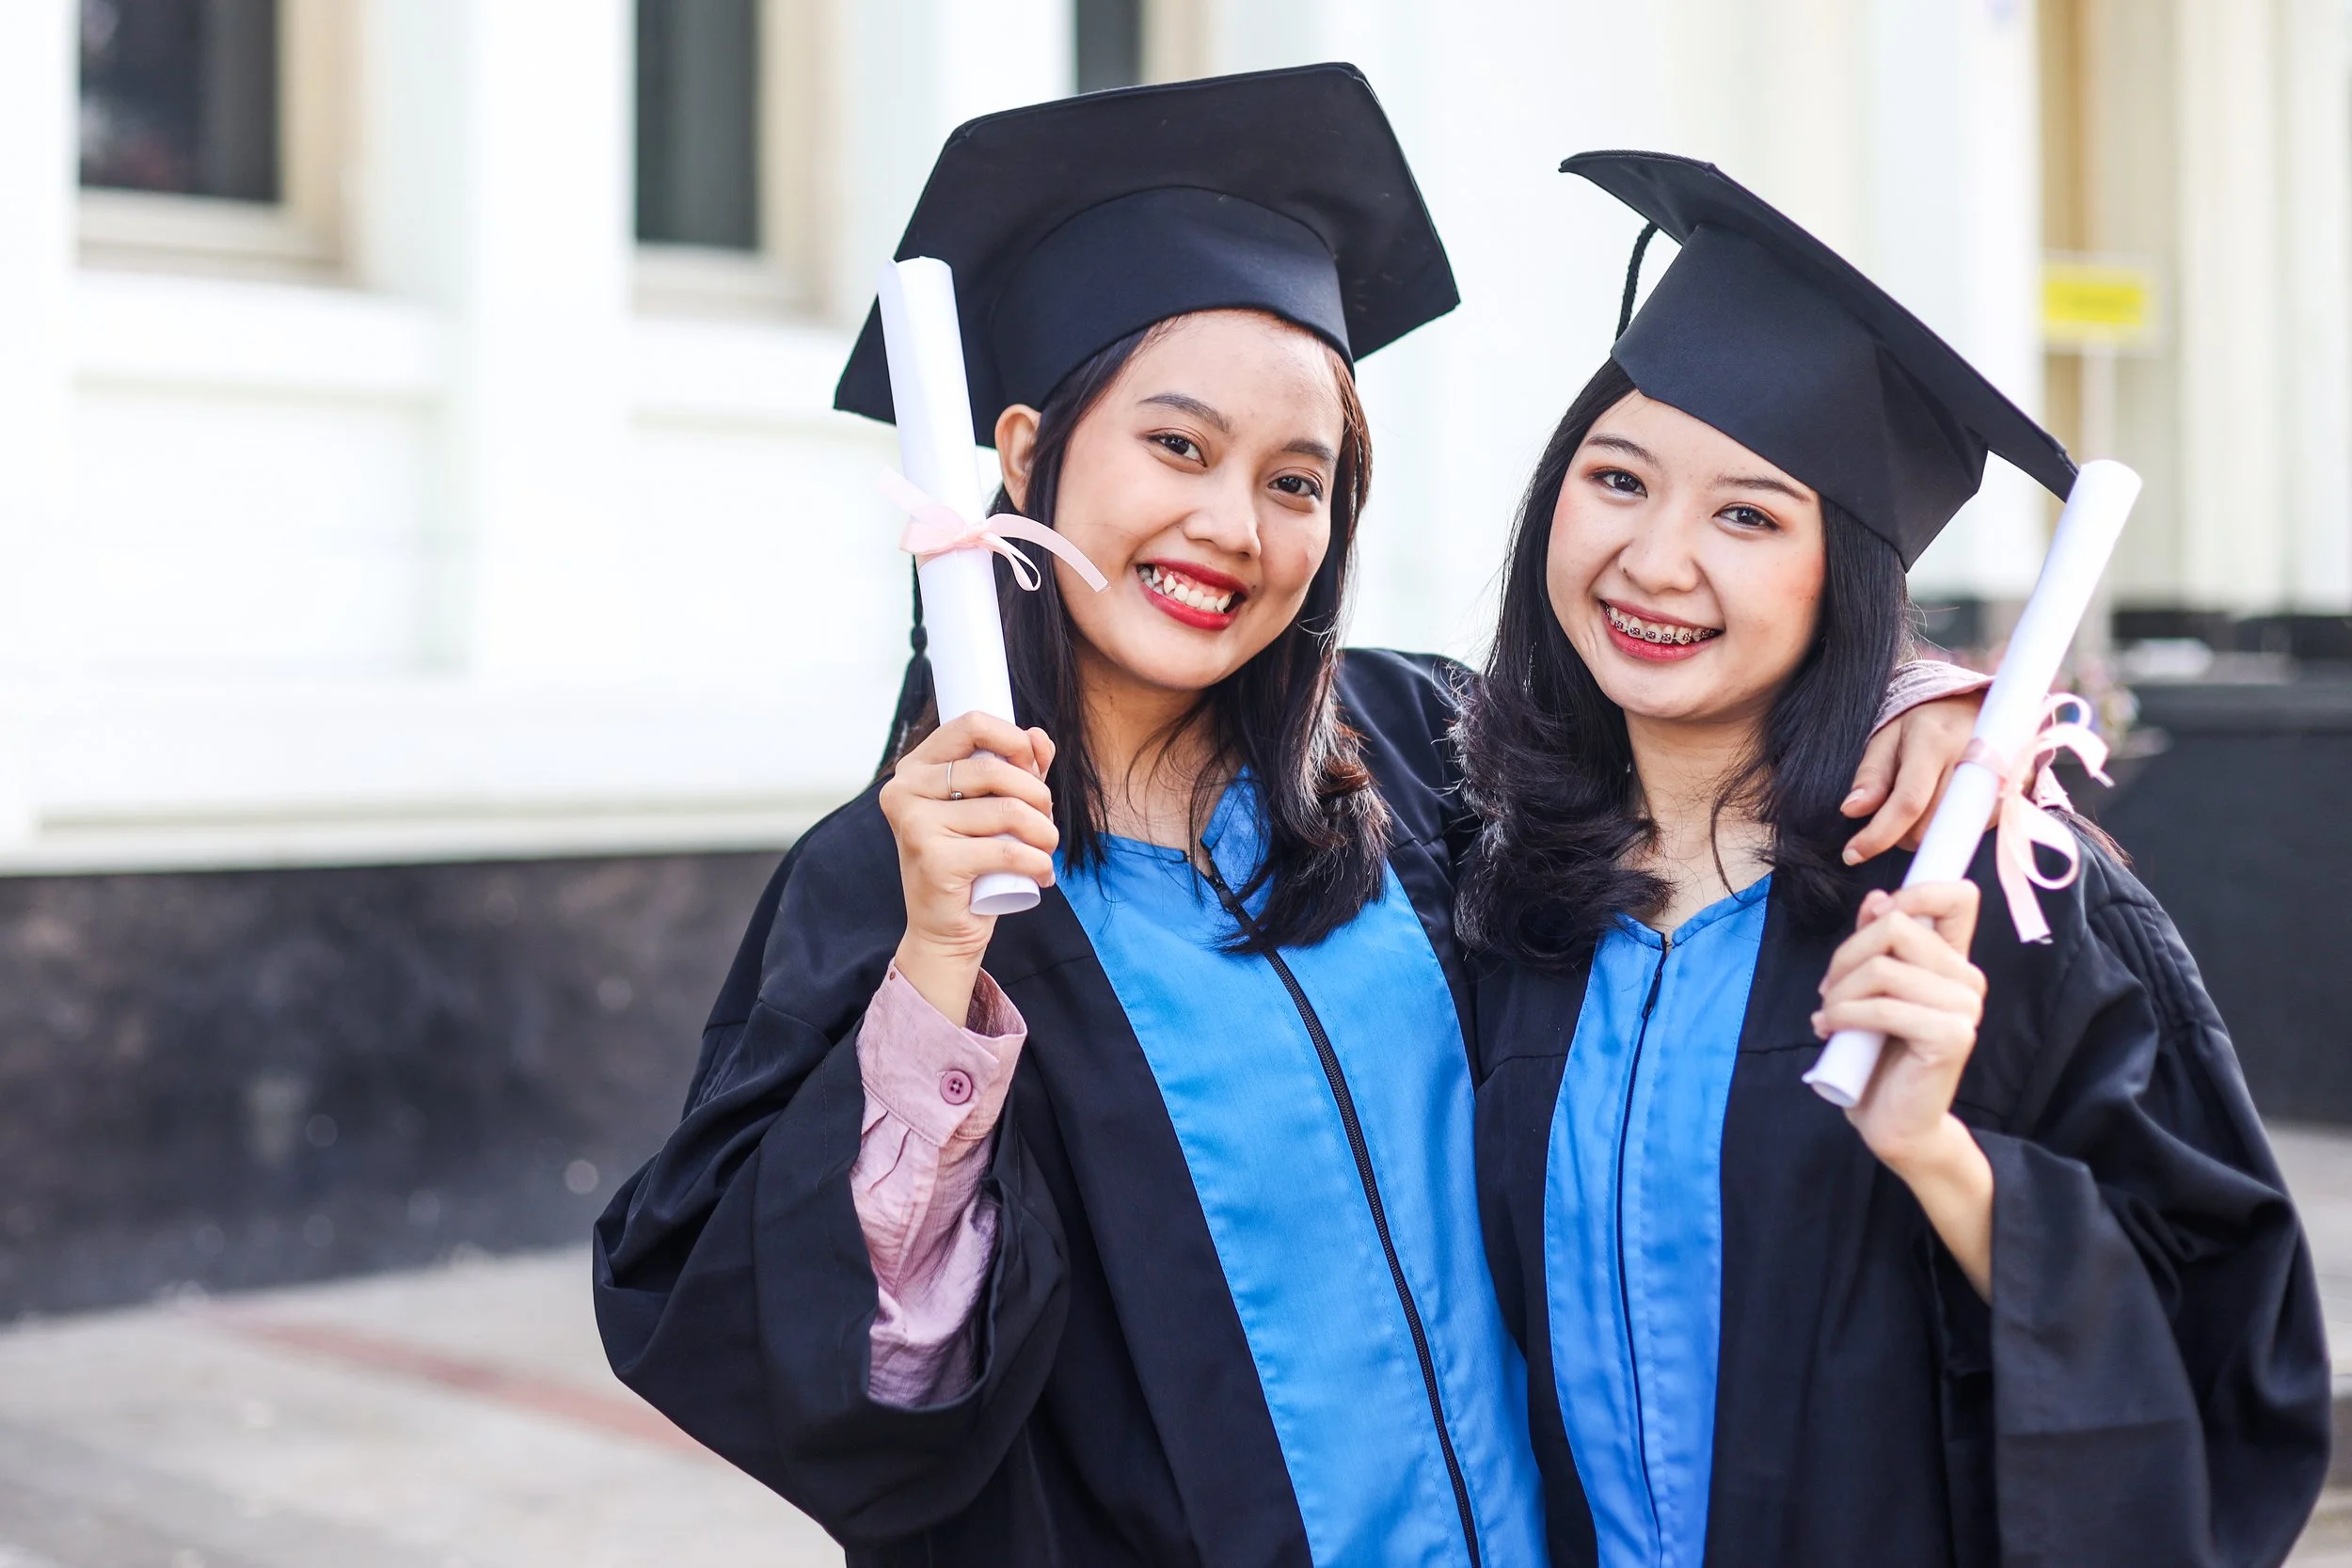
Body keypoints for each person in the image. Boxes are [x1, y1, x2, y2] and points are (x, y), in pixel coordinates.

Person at [594, 76, 1986, 1566]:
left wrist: (1909, 688)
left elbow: (1691, 713)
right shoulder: (899, 873)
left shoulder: (1427, 751)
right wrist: (940, 961)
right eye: (1178, 448)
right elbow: (848, 1366)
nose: (1235, 530)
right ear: (1021, 451)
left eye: (1297, 480)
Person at [1457, 150, 2330, 1568]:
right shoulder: (1490, 882)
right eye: (1617, 478)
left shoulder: (1996, 905)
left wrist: (1938, 1152)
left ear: (1844, 577)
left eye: (1748, 514)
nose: (1657, 559)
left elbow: (2221, 1359)